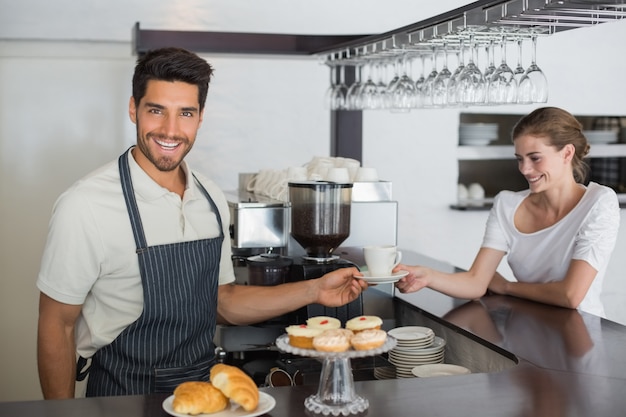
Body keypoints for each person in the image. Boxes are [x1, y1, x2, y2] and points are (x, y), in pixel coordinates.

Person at [36, 47, 367, 399]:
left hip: (205, 393)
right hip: (122, 396)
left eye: (186, 113)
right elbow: (57, 325)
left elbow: (223, 302)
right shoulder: (85, 205)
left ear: (201, 116)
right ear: (134, 109)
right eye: (156, 110)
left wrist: (315, 289)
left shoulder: (208, 196)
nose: (171, 129)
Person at [395, 107, 620, 318]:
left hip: (581, 336)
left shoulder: (599, 202)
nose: (525, 169)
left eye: (535, 158)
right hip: (527, 326)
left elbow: (571, 295)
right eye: (520, 159)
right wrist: (428, 276)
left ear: (567, 153)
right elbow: (476, 282)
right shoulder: (506, 205)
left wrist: (506, 286)